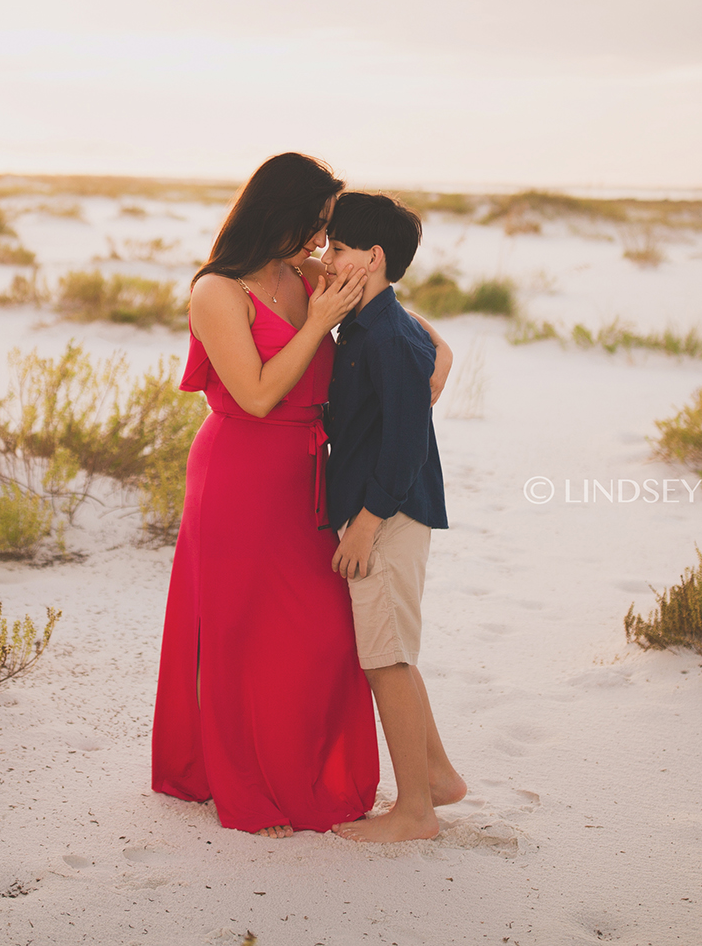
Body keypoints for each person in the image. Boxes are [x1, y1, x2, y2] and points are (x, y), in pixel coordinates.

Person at [150, 154, 451, 838]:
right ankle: (249, 784)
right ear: (278, 214)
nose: (321, 241)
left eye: (327, 230)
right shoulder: (216, 292)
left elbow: (412, 336)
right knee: (240, 629)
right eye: (315, 225)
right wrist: (318, 323)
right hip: (240, 473)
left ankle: (315, 771)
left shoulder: (304, 274)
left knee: (324, 633)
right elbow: (254, 394)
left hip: (313, 473)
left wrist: (434, 358)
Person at [320, 191, 466, 843]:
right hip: (384, 512)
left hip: (390, 515)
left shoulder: (388, 336)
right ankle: (435, 776)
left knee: (385, 660)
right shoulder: (369, 324)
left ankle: (415, 812)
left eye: (337, 248)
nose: (326, 259)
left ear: (372, 258)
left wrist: (366, 523)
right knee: (395, 650)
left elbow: (406, 445)